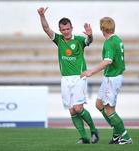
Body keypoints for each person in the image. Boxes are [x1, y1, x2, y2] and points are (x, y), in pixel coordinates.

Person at [37, 7, 99, 144]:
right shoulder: (58, 40)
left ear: (71, 28)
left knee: (78, 108)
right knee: (71, 110)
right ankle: (84, 138)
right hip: (65, 79)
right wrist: (42, 16)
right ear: (60, 30)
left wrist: (90, 35)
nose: (65, 32)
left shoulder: (78, 40)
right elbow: (46, 29)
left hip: (79, 77)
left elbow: (89, 41)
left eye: (67, 29)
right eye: (63, 30)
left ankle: (94, 130)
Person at [81, 17, 133, 144]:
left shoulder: (109, 42)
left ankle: (125, 137)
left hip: (112, 78)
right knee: (99, 104)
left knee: (109, 109)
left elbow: (108, 61)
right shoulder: (117, 39)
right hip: (111, 77)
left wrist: (91, 71)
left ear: (102, 29)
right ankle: (116, 133)